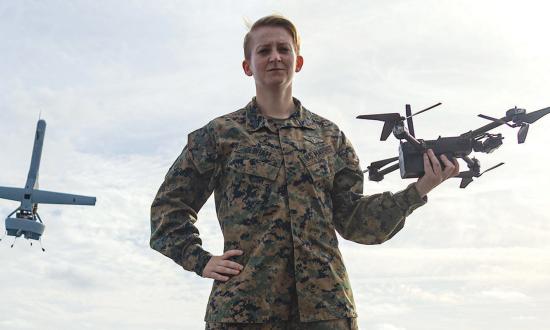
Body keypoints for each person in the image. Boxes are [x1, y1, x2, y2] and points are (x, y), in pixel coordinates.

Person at [150, 15, 459, 330]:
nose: (275, 57)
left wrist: (419, 190)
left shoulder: (330, 138)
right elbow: (168, 210)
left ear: (297, 62)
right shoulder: (218, 136)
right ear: (248, 66)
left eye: (283, 49)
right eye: (264, 50)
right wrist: (201, 261)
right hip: (244, 313)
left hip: (326, 312)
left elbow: (355, 222)